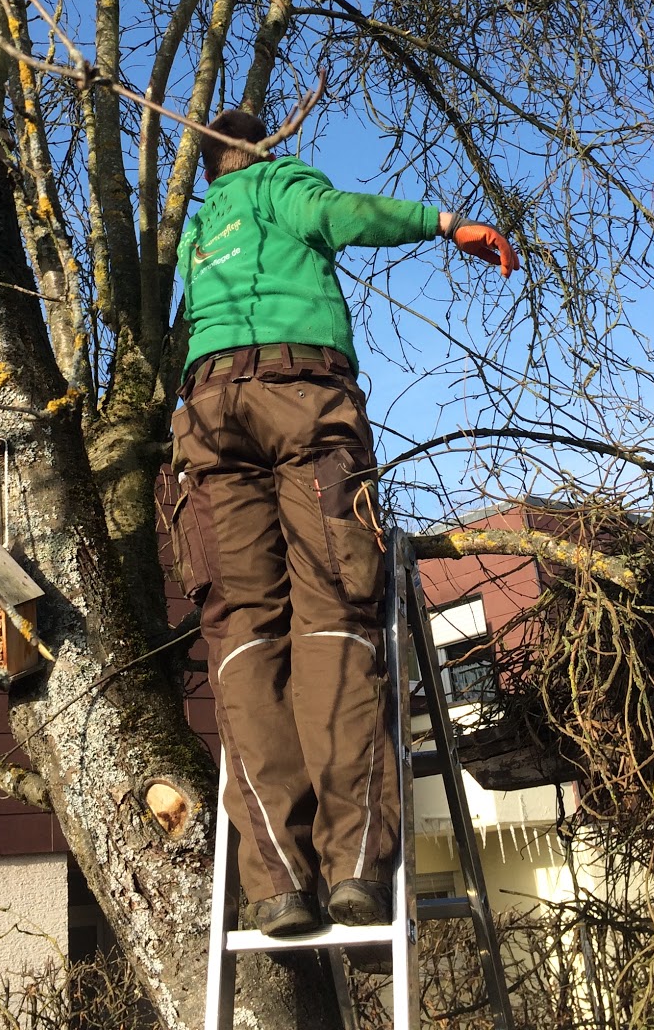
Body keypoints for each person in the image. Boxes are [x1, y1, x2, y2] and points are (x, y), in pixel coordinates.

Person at [169, 109, 519, 937]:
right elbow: (345, 215)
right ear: (261, 151)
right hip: (302, 399)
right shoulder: (279, 185)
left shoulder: (199, 237)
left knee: (244, 634)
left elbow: (187, 333)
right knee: (333, 613)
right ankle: (353, 865)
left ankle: (277, 884)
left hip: (208, 419)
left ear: (207, 170)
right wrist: (447, 224)